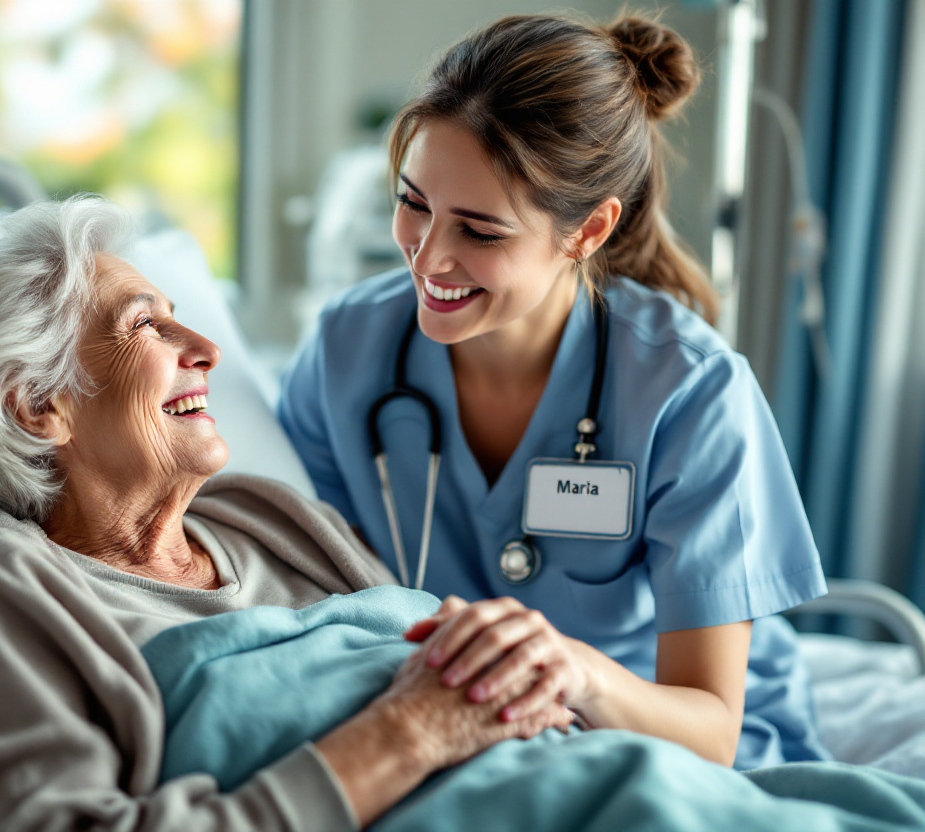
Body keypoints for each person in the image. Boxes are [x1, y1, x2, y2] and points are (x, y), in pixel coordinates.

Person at [0, 196, 575, 832]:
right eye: (146, 325)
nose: (207, 352)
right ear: (39, 405)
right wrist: (412, 732)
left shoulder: (268, 517)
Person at [278, 13, 828, 771]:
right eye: (414, 204)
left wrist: (574, 671)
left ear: (588, 231)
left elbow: (711, 728)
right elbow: (318, 599)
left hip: (652, 737)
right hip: (453, 726)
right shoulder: (347, 353)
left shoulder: (691, 393)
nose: (428, 257)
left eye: (479, 231)